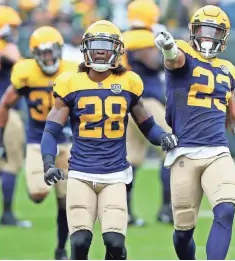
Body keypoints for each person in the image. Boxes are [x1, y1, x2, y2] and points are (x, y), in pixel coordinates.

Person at [40, 20, 177, 260]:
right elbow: (51, 130)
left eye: (106, 45)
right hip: (81, 173)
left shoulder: (129, 82)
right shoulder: (69, 83)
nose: (101, 50)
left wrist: (162, 137)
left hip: (114, 175)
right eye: (96, 45)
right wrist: (49, 163)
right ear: (86, 49)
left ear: (118, 50)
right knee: (80, 243)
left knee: (114, 243)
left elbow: (146, 124)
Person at [154, 5, 235, 260]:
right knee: (183, 231)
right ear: (193, 32)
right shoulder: (183, 52)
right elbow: (174, 59)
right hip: (184, 153)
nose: (207, 37)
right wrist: (169, 46)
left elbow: (233, 120)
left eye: (213, 32)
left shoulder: (228, 69)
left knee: (225, 209)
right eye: (203, 31)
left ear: (223, 36)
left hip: (217, 151)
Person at [0, 26, 76, 260]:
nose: (48, 58)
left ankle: (61, 249)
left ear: (60, 50)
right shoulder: (26, 73)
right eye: (43, 53)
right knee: (39, 193)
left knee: (68, 203)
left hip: (67, 140)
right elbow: (5, 104)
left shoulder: (72, 73)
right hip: (37, 141)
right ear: (34, 54)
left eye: (51, 52)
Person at [123, 0, 173, 226]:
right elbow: (155, 63)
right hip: (146, 102)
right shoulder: (141, 39)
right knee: (172, 150)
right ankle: (166, 210)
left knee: (132, 158)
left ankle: (125, 213)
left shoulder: (124, 37)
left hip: (130, 102)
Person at [0, 5, 28, 228]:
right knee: (11, 163)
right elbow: (21, 64)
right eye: (12, 27)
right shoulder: (5, 48)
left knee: (1, 162)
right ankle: (7, 214)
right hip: (4, 111)